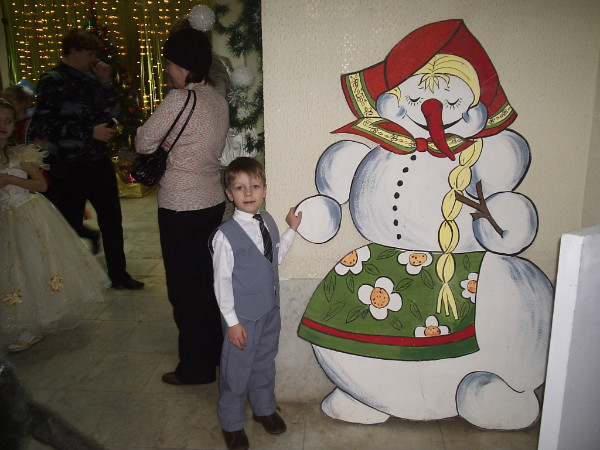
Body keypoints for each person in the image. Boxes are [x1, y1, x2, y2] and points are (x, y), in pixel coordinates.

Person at [135, 26, 229, 385]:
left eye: (169, 63)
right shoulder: (217, 100)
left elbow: (143, 141)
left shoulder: (179, 99)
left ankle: (195, 367)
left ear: (183, 65)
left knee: (184, 289)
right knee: (205, 281)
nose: (166, 70)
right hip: (211, 200)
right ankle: (215, 351)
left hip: (180, 205)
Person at [32, 29, 143, 289]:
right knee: (69, 223)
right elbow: (44, 126)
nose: (94, 59)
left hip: (98, 161)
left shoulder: (93, 78)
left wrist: (105, 83)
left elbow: (113, 111)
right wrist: (88, 132)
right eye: (90, 53)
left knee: (112, 220)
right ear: (74, 50)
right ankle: (69, 280)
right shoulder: (52, 80)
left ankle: (119, 275)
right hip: (68, 165)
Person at [0, 98, 110, 352]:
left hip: (26, 215)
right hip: (4, 220)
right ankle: (27, 318)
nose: (3, 127)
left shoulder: (20, 155)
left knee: (32, 264)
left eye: (7, 121)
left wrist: (10, 180)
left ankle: (34, 324)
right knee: (13, 270)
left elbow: (40, 185)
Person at [210, 157, 302, 450]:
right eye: (239, 188)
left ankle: (264, 408)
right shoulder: (225, 236)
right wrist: (232, 322)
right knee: (235, 372)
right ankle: (232, 423)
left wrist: (291, 229)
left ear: (264, 189)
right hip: (242, 319)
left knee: (264, 363)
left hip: (270, 311)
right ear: (229, 194)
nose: (248, 193)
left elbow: (274, 257)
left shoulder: (268, 220)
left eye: (255, 186)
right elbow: (221, 283)